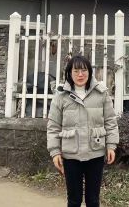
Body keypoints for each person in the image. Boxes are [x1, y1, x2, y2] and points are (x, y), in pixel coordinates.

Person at [47, 55, 119, 207]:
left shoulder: (101, 93)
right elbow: (53, 126)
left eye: (84, 70)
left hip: (95, 153)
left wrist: (111, 146)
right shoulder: (61, 96)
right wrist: (55, 152)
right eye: (76, 71)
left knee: (93, 200)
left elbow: (110, 121)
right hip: (71, 156)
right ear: (69, 73)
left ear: (90, 72)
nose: (80, 74)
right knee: (74, 200)